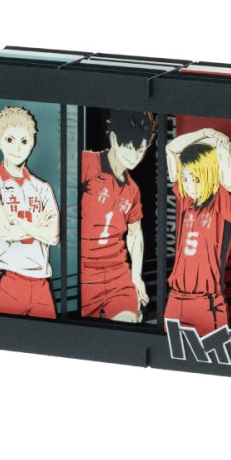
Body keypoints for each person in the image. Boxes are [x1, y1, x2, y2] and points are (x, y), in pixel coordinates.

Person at [0, 106, 59, 318]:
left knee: (50, 337)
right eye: (10, 140)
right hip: (8, 280)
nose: (17, 148)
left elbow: (53, 235)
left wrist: (22, 224)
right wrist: (38, 227)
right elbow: (6, 231)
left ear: (32, 143)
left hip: (41, 282)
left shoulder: (43, 188)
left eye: (24, 141)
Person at [80, 110, 155, 323]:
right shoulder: (87, 163)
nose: (135, 156)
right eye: (129, 148)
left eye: (140, 149)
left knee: (129, 322)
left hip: (117, 273)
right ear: (114, 139)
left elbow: (135, 233)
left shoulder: (132, 190)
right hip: (84, 272)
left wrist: (136, 277)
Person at [164, 128, 231, 336]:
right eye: (185, 178)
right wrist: (204, 133)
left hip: (206, 302)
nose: (189, 185)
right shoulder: (186, 201)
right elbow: (171, 149)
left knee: (209, 354)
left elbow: (228, 177)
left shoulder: (221, 203)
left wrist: (220, 143)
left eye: (195, 179)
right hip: (176, 299)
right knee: (169, 353)